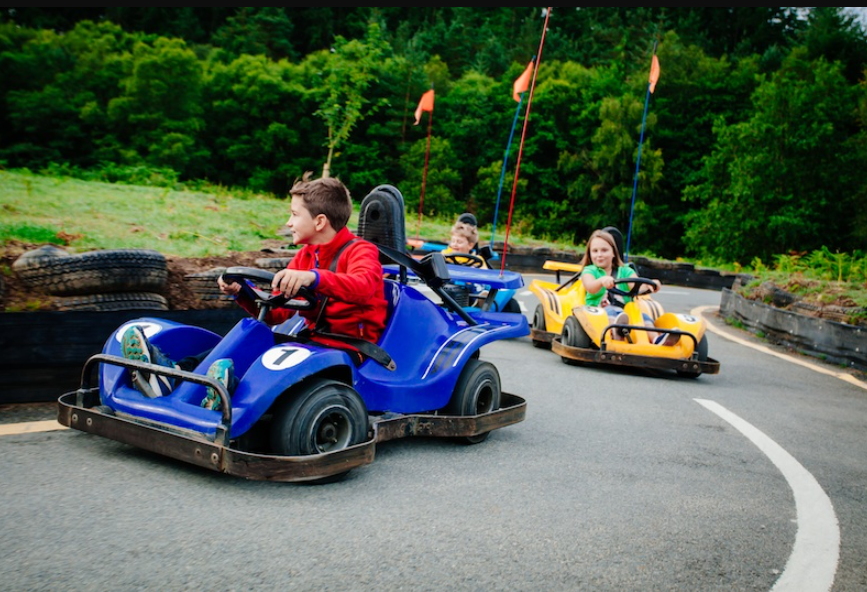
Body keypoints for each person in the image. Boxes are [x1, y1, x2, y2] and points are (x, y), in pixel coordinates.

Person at [122, 172, 388, 410]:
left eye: (295, 215)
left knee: (275, 359)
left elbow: (363, 287)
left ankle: (229, 390)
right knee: (253, 333)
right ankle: (177, 374)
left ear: (319, 222)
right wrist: (242, 292)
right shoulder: (306, 256)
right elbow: (277, 312)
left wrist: (313, 277)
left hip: (349, 350)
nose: (289, 222)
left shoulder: (360, 251)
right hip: (311, 342)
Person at [579, 228, 667, 343]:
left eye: (604, 250)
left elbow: (637, 286)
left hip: (624, 313)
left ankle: (656, 339)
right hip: (597, 312)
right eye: (595, 251)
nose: (599, 255)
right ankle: (614, 334)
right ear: (590, 254)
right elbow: (590, 287)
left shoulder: (625, 271)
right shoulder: (589, 271)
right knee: (612, 313)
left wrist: (650, 285)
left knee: (643, 317)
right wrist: (601, 281)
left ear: (613, 253)